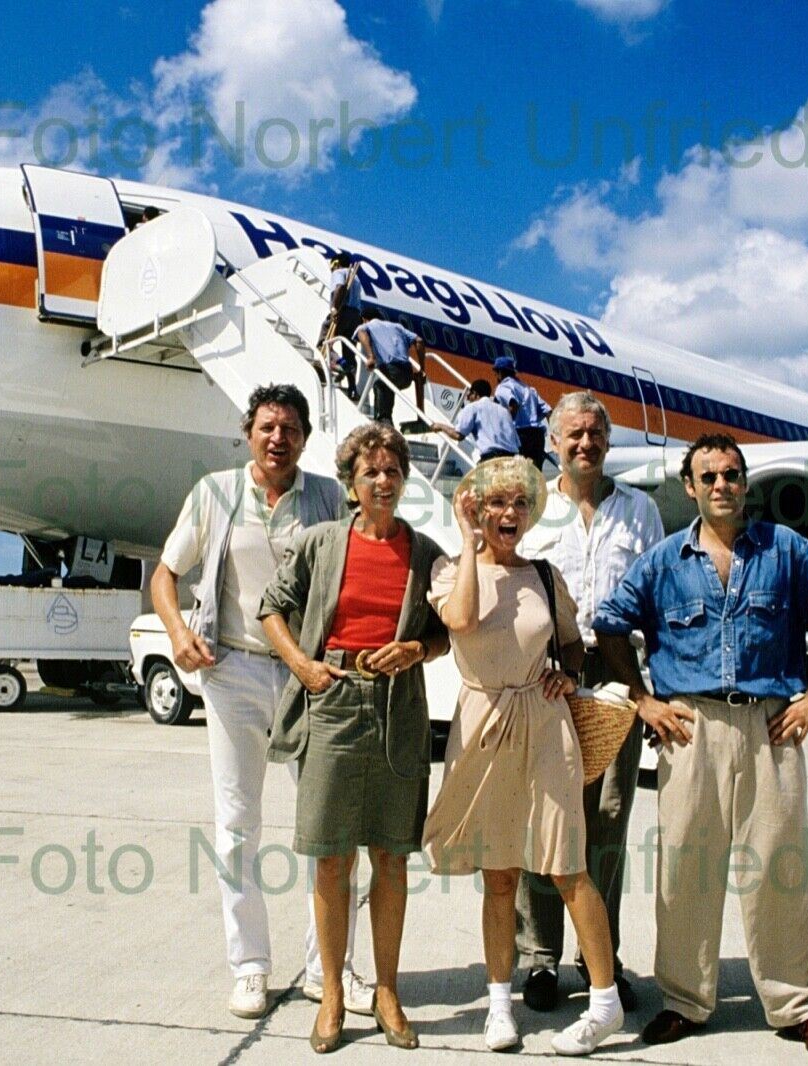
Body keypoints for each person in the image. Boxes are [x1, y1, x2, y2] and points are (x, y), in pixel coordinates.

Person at [594, 433, 808, 1062]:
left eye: (732, 475)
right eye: (708, 476)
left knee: (778, 867)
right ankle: (685, 1001)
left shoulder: (785, 550)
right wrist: (643, 701)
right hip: (692, 730)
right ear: (689, 487)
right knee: (685, 868)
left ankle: (794, 1005)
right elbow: (610, 624)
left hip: (771, 726)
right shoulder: (664, 560)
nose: (722, 486)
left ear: (745, 484)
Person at [150, 384, 372, 1020]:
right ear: (249, 432)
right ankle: (250, 966)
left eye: (292, 429)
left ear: (306, 438)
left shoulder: (330, 498)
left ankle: (329, 967)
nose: (280, 438)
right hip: (235, 671)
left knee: (330, 828)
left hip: (311, 677)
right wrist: (177, 632)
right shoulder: (214, 492)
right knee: (237, 824)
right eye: (269, 426)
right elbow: (166, 574)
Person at [422, 456, 626, 1056]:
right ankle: (499, 1005)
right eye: (495, 504)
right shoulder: (447, 571)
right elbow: (460, 619)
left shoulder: (544, 573)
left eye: (517, 505)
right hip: (482, 724)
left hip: (544, 724)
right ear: (476, 509)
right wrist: (466, 543)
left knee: (567, 867)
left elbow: (569, 642)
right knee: (500, 873)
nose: (508, 514)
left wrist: (567, 673)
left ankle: (605, 1002)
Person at [259, 423, 451, 1053]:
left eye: (393, 470)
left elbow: (448, 631)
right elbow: (270, 607)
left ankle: (388, 990)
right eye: (371, 471)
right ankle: (335, 992)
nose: (383, 480)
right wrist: (303, 666)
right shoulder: (320, 542)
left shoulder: (424, 552)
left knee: (392, 854)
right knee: (331, 855)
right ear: (351, 482)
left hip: (398, 708)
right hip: (333, 700)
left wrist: (419, 648)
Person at [514, 391, 664, 1014]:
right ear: (553, 442)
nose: (584, 444)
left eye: (595, 435)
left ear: (607, 442)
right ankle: (539, 958)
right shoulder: (530, 508)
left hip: (616, 669)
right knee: (544, 817)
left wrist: (655, 689)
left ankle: (599, 957)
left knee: (608, 817)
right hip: (543, 672)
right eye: (572, 434)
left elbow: (657, 598)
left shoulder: (641, 511)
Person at [354, 308, 427, 426]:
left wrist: (371, 357)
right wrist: (422, 369)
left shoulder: (367, 326)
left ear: (364, 319)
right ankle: (389, 418)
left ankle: (383, 421)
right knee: (389, 386)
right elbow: (419, 341)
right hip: (407, 373)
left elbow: (361, 332)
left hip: (391, 368)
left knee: (380, 385)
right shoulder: (397, 326)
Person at [429, 378, 519, 461]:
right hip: (512, 461)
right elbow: (516, 442)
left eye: (470, 394)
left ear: (475, 394)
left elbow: (458, 435)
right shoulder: (504, 411)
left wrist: (440, 426)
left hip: (492, 459)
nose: (467, 398)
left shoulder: (473, 407)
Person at [492, 356, 552, 469]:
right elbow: (548, 411)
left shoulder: (503, 387)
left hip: (521, 436)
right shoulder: (529, 389)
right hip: (538, 437)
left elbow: (513, 405)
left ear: (500, 372)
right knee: (535, 474)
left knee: (516, 474)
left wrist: (505, 428)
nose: (495, 375)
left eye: (495, 372)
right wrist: (555, 434)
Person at [320, 252, 364, 397]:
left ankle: (341, 363)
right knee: (350, 351)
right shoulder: (355, 278)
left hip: (342, 311)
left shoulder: (339, 272)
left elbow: (339, 288)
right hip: (356, 316)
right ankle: (352, 387)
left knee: (324, 343)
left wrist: (334, 308)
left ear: (336, 263)